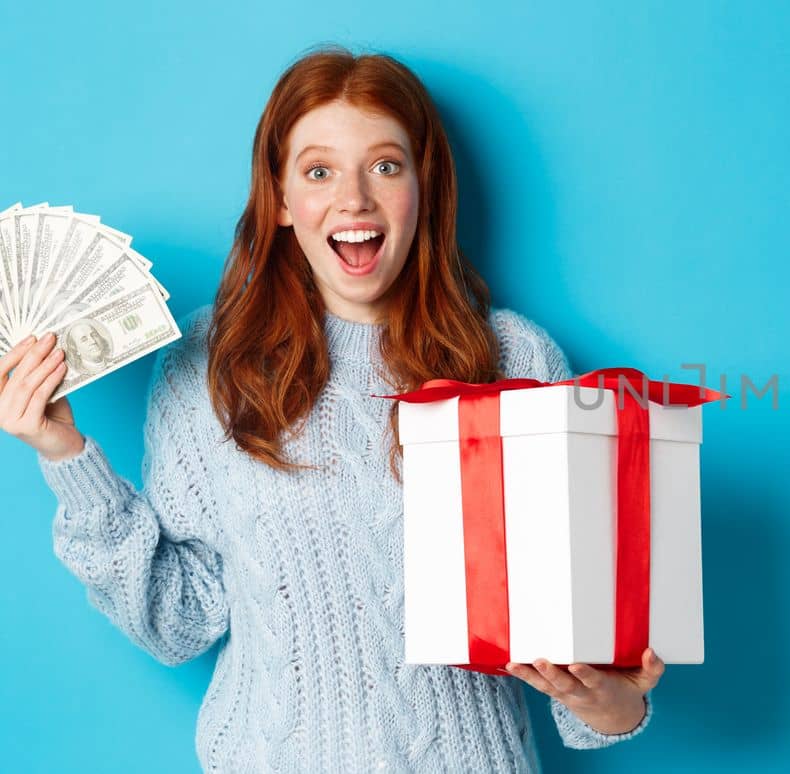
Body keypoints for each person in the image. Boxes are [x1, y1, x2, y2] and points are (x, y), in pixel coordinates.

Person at [0, 46, 663, 772]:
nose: (354, 200)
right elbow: (179, 622)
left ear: (424, 187)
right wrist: (66, 455)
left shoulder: (518, 360)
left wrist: (611, 703)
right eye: (319, 171)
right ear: (281, 198)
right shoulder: (209, 364)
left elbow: (586, 663)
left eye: (385, 165)